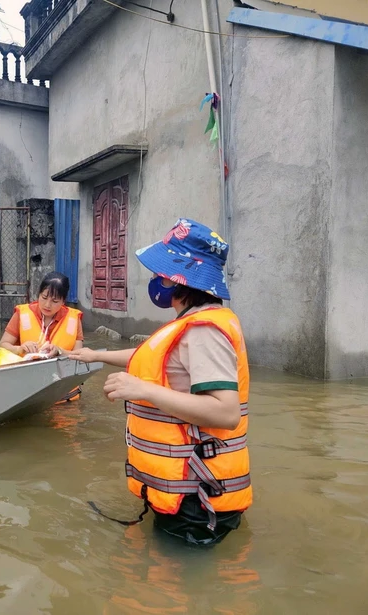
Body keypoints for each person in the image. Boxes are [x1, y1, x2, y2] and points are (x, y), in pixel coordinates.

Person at [70, 218, 251, 547]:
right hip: (189, 491)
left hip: (198, 500)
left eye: (160, 272)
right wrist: (96, 355)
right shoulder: (193, 322)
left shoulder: (204, 331)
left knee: (173, 590)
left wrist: (142, 390)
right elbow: (152, 360)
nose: (155, 279)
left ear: (178, 278)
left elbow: (226, 413)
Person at [0, 271, 84, 402]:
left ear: (63, 300)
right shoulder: (22, 314)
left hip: (63, 395)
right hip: (28, 393)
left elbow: (80, 356)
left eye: (55, 301)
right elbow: (2, 346)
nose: (47, 305)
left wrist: (59, 351)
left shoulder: (74, 319)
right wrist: (20, 349)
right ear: (38, 294)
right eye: (44, 297)